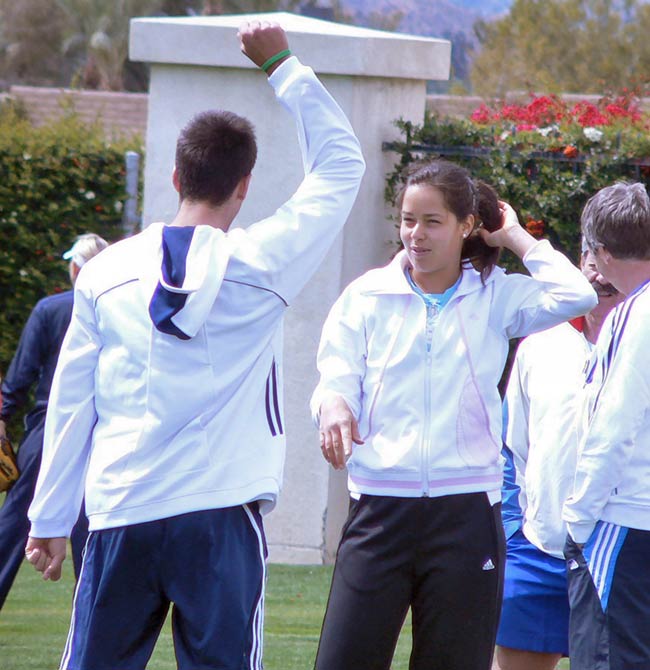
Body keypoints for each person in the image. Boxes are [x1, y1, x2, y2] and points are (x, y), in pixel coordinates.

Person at [25, 21, 364, 670]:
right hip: (220, 511)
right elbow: (343, 166)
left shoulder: (101, 273)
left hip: (124, 505)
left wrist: (49, 516)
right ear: (244, 185)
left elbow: (71, 403)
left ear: (176, 175)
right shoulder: (263, 263)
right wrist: (283, 65)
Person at [310, 159, 597, 670]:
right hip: (379, 510)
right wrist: (333, 403)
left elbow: (577, 294)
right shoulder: (366, 296)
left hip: (466, 516)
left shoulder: (497, 297)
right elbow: (336, 374)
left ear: (467, 226)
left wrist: (514, 238)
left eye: (432, 221)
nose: (415, 235)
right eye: (407, 220)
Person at [494, 242, 624, 670]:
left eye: (613, 262)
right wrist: (514, 531)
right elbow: (512, 449)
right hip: (537, 551)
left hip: (620, 556)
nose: (601, 275)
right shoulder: (538, 345)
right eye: (592, 261)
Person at [562, 182, 650, 670]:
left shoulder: (635, 313)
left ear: (600, 251)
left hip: (625, 519)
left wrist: (577, 518)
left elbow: (615, 422)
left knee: (608, 659)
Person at [0, 233, 108, 611]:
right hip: (100, 435)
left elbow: (20, 377)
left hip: (48, 431)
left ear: (75, 268)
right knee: (92, 538)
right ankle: (94, 626)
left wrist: (2, 417)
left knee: (12, 527)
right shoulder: (116, 307)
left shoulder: (50, 309)